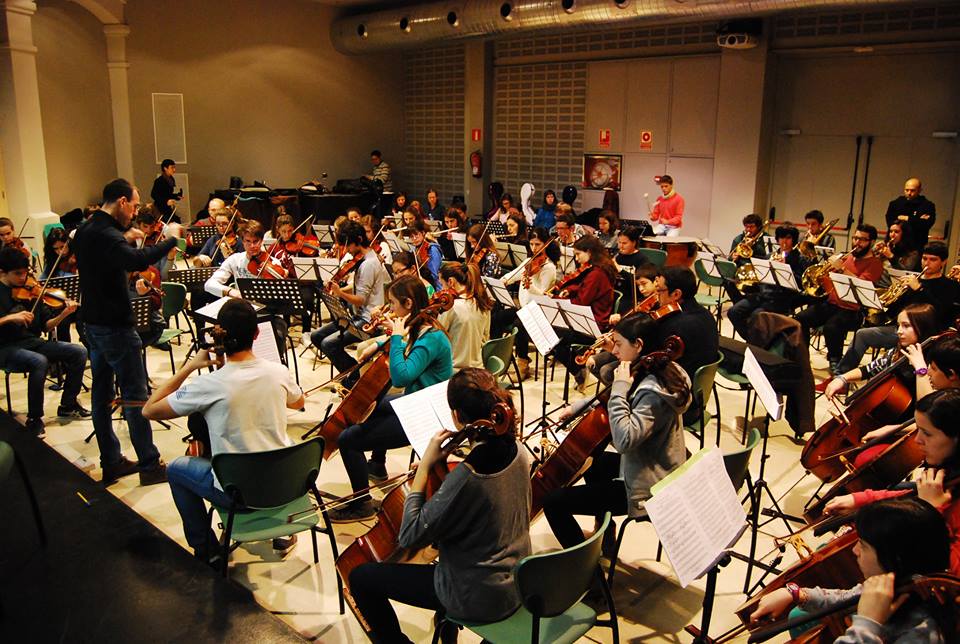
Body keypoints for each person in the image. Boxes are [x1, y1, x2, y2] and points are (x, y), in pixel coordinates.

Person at [348, 367, 531, 643]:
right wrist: (442, 468)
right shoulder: (519, 451)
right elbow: (478, 506)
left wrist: (424, 469)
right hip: (518, 579)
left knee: (361, 577)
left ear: (457, 416)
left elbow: (410, 535)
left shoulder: (469, 476)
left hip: (477, 594)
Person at [141, 299, 304, 563]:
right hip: (284, 485)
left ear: (220, 336)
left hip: (238, 494)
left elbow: (149, 409)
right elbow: (299, 402)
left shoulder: (207, 384)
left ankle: (207, 550)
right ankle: (279, 531)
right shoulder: (279, 371)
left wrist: (189, 367)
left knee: (175, 469)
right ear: (257, 333)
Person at [544, 313, 691, 548]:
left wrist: (621, 387)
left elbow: (624, 440)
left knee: (553, 502)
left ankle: (585, 571)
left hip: (648, 483)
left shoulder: (653, 391)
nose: (614, 351)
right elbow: (609, 396)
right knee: (594, 460)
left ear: (639, 345)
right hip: (652, 461)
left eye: (620, 344)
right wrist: (577, 407)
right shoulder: (666, 368)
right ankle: (605, 532)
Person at [73, 178, 183, 485]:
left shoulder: (86, 229)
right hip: (115, 326)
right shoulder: (108, 235)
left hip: (92, 323)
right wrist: (171, 239)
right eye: (134, 205)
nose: (135, 211)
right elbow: (138, 259)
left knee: (102, 395)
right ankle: (149, 464)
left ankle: (111, 460)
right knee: (136, 397)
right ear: (121, 202)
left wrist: (126, 234)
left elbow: (109, 249)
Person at [331, 276, 453, 521]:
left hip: (425, 414)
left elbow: (401, 377)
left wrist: (396, 337)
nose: (390, 308)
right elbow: (400, 342)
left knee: (347, 439)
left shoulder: (431, 337)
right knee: (373, 405)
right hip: (415, 401)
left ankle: (361, 503)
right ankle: (377, 464)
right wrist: (384, 338)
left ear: (408, 303)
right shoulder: (420, 324)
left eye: (393, 303)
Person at [750, 497, 952, 641]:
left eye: (863, 545)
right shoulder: (893, 585)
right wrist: (795, 594)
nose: (855, 550)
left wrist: (868, 624)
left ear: (895, 559)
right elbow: (848, 598)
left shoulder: (921, 633)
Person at [834, 242, 960, 376]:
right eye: (924, 258)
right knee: (862, 334)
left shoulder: (950, 286)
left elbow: (940, 313)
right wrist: (886, 301)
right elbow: (896, 311)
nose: (927, 263)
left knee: (862, 334)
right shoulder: (912, 279)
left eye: (933, 259)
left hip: (926, 335)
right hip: (900, 329)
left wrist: (919, 289)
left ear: (944, 262)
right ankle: (841, 375)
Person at [0, 246, 88, 436]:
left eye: (25, 273)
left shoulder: (33, 291)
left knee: (78, 352)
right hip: (5, 347)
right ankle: (34, 418)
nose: (23, 279)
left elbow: (47, 326)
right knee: (38, 361)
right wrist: (9, 318)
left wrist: (64, 314)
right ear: (2, 272)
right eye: (17, 274)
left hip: (32, 342)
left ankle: (68, 404)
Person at [796, 224, 884, 374]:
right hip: (832, 303)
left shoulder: (875, 264)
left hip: (855, 310)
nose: (857, 242)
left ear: (872, 242)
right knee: (800, 318)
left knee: (832, 327)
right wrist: (824, 274)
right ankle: (801, 357)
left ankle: (835, 361)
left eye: (862, 240)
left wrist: (842, 269)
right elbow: (829, 283)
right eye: (856, 238)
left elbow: (861, 285)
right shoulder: (847, 257)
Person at [310, 221, 388, 387]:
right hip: (357, 315)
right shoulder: (365, 259)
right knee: (316, 336)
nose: (347, 250)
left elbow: (360, 299)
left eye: (349, 245)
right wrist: (340, 287)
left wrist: (339, 293)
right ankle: (353, 373)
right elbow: (359, 286)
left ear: (359, 240)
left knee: (328, 344)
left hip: (368, 322)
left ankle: (355, 379)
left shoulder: (368, 264)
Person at [822, 304, 941, 400]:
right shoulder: (900, 349)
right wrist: (842, 378)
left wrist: (921, 369)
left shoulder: (934, 359)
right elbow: (869, 369)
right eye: (898, 325)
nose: (899, 331)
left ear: (923, 327)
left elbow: (929, 403)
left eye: (906, 326)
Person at [727, 225, 815, 340]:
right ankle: (752, 340)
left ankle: (757, 343)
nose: (784, 241)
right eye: (782, 237)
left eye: (788, 238)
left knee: (756, 316)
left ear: (793, 240)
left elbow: (801, 283)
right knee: (733, 312)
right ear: (777, 239)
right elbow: (760, 277)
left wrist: (785, 268)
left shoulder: (800, 259)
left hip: (782, 298)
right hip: (763, 294)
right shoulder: (769, 256)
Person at [554, 235, 617, 392]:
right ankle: (578, 368)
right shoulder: (595, 269)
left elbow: (581, 302)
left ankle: (578, 370)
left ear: (589, 252)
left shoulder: (597, 273)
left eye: (577, 254)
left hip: (594, 324)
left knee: (554, 337)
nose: (576, 258)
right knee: (554, 336)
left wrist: (559, 303)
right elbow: (583, 287)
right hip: (588, 319)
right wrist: (570, 290)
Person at [204, 220, 290, 299]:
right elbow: (209, 284)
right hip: (242, 307)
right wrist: (231, 291)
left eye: (256, 241)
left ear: (262, 241)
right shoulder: (235, 259)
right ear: (243, 241)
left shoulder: (273, 262)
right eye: (248, 241)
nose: (252, 246)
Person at [437, 263, 492, 370]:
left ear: (451, 282)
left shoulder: (450, 307)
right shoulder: (483, 304)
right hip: (478, 369)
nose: (441, 290)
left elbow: (437, 342)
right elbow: (485, 339)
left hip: (454, 371)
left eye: (441, 284)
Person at [886, 177, 936, 249]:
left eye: (912, 190)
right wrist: (916, 219)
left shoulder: (927, 205)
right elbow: (890, 223)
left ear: (919, 190)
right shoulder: (895, 203)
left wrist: (907, 218)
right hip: (896, 244)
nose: (909, 193)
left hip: (916, 245)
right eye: (907, 190)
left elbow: (925, 225)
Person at [408, 219, 443, 289]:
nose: (414, 238)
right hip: (422, 283)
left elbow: (434, 275)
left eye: (416, 235)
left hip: (435, 286)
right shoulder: (415, 248)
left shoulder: (432, 249)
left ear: (423, 233)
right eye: (411, 237)